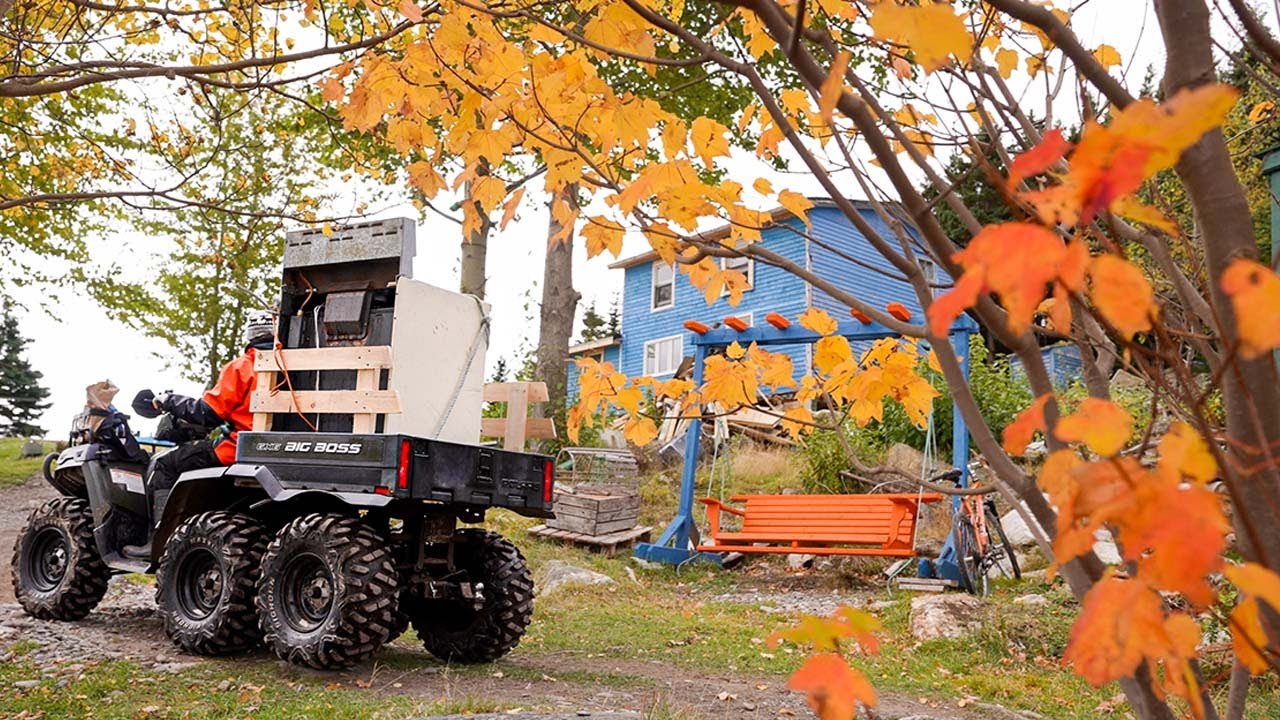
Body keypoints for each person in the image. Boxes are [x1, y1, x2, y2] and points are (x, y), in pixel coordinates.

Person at [133, 309, 276, 494]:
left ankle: (166, 514)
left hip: (239, 449)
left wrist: (168, 401)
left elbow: (208, 413)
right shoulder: (296, 369)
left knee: (166, 464)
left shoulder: (243, 367)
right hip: (282, 452)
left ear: (250, 334)